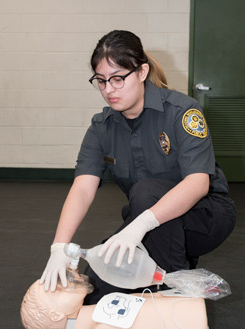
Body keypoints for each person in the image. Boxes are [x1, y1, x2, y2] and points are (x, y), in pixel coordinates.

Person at [40, 30, 236, 304]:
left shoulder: (182, 111)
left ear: (142, 72)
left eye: (118, 78)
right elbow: (83, 188)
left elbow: (197, 184)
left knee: (145, 193)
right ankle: (165, 276)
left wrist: (138, 226)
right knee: (95, 293)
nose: (109, 89)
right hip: (149, 220)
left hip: (205, 217)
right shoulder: (101, 127)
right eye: (101, 81)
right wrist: (59, 246)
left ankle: (176, 297)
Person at [21, 279, 209, 329]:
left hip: (191, 312)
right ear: (56, 315)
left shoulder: (103, 313)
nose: (64, 281)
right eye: (56, 288)